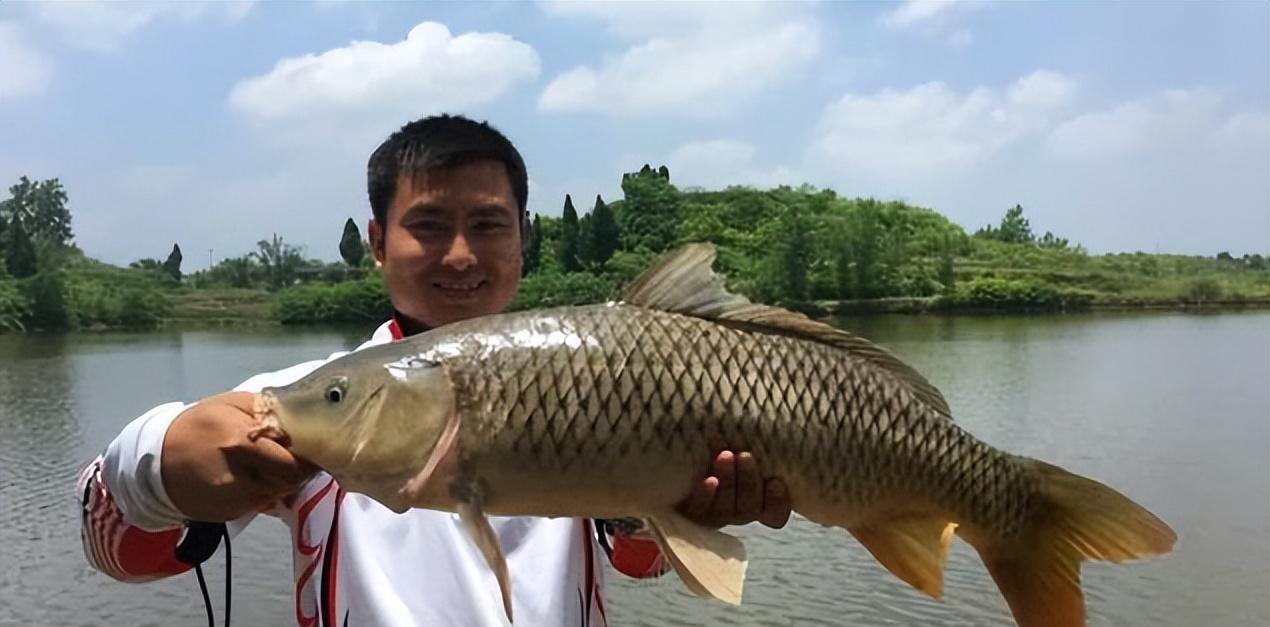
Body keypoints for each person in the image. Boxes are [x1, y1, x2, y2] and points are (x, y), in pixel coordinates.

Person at [77, 114, 791, 626]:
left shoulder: (592, 372)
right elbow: (120, 552)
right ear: (378, 242)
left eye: (487, 225)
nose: (459, 255)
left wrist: (678, 505)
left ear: (523, 237)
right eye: (427, 225)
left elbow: (641, 564)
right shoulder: (311, 399)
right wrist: (160, 463)